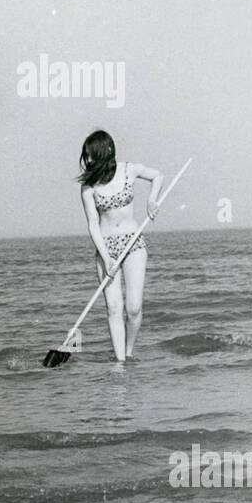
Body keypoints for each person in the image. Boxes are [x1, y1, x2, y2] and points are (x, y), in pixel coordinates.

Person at [78, 131, 163, 361]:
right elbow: (93, 225)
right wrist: (105, 258)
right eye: (86, 156)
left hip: (133, 243)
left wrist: (152, 200)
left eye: (91, 156)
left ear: (105, 152)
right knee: (113, 308)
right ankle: (120, 362)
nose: (88, 161)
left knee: (133, 308)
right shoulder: (88, 188)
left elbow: (157, 176)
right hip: (106, 248)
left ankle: (129, 352)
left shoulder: (129, 170)